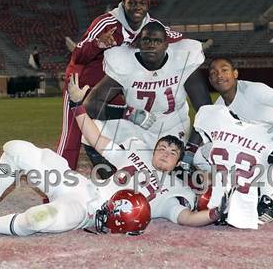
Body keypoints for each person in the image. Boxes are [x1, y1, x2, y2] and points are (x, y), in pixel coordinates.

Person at [0, 74, 228, 236]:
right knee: (16, 148)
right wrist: (77, 105)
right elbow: (94, 137)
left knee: (36, 220)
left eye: (172, 151)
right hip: (77, 186)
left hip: (90, 214)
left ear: (179, 160)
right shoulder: (132, 157)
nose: (165, 152)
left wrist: (214, 213)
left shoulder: (171, 191)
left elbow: (188, 217)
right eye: (162, 147)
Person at [55, 0, 183, 171]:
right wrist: (98, 43)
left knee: (127, 132)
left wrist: (192, 43)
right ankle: (55, 190)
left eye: (142, 3)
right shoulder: (106, 22)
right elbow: (78, 55)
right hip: (84, 84)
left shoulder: (152, 26)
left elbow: (175, 37)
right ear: (124, 3)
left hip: (114, 86)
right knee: (73, 136)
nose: (137, 7)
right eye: (132, 2)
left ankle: (118, 177)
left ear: (148, 6)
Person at [83, 22, 211, 177]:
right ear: (138, 43)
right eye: (146, 40)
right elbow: (90, 104)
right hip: (138, 129)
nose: (151, 45)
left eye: (157, 41)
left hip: (173, 131)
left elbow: (206, 111)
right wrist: (128, 114)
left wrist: (189, 151)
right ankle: (110, 182)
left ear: (166, 45)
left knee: (199, 159)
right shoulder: (126, 65)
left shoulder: (182, 61)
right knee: (91, 133)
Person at [194, 57, 273, 223]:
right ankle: (242, 188)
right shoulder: (219, 108)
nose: (219, 75)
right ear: (210, 80)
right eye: (213, 73)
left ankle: (268, 202)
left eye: (224, 70)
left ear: (235, 73)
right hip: (256, 151)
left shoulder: (253, 90)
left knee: (257, 145)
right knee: (205, 152)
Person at [191, 104, 273, 229]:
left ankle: (262, 194)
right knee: (267, 162)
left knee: (201, 155)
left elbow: (199, 157)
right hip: (247, 185)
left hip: (218, 174)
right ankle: (267, 197)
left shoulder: (214, 115)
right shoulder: (269, 135)